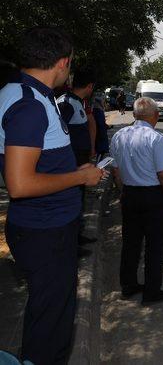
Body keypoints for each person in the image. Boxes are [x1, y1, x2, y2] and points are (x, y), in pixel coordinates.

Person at [0, 27, 104, 364]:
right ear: (61, 63)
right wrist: (80, 176)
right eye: (70, 63)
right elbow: (20, 184)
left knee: (48, 313)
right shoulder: (29, 104)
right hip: (45, 232)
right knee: (51, 329)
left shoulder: (26, 93)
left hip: (46, 228)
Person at [110, 97, 163, 305]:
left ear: (134, 115)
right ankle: (151, 292)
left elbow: (116, 171)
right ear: (156, 116)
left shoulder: (119, 136)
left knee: (130, 243)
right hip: (153, 197)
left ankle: (128, 286)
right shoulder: (155, 139)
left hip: (130, 195)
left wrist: (124, 192)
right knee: (156, 246)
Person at [57, 68, 97, 246]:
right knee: (72, 200)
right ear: (89, 86)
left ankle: (76, 236)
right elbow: (60, 132)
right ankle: (72, 240)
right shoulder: (67, 103)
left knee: (78, 199)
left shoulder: (77, 102)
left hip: (79, 160)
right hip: (72, 161)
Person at [93, 96, 110, 162]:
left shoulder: (95, 109)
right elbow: (100, 123)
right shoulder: (98, 110)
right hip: (100, 133)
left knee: (100, 150)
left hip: (99, 133)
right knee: (101, 150)